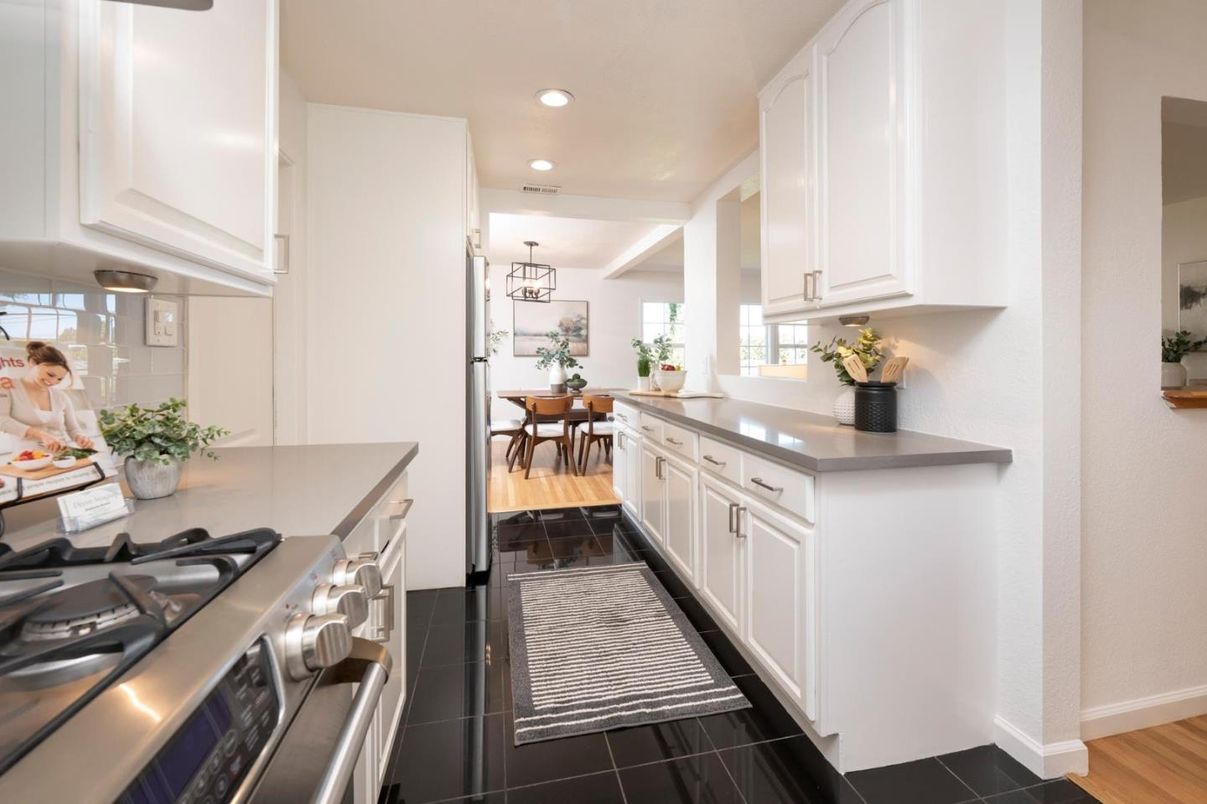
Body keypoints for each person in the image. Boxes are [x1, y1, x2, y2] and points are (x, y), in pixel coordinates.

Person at [0, 342, 95, 453]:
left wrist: (80, 438)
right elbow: (2, 420)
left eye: (60, 379)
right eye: (50, 374)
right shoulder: (6, 386)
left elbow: (73, 429)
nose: (53, 382)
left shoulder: (60, 396)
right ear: (33, 363)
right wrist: (41, 435)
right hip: (27, 460)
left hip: (63, 458)